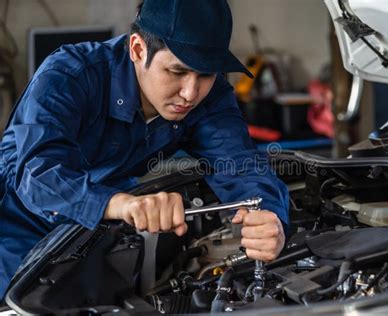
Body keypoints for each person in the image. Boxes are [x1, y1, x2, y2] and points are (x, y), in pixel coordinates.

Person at [0, 0, 289, 299]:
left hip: (97, 228)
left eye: (206, 74)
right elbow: (37, 174)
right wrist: (121, 204)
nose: (190, 93)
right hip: (14, 221)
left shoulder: (210, 98)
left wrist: (270, 217)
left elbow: (239, 164)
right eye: (177, 71)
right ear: (138, 49)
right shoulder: (70, 74)